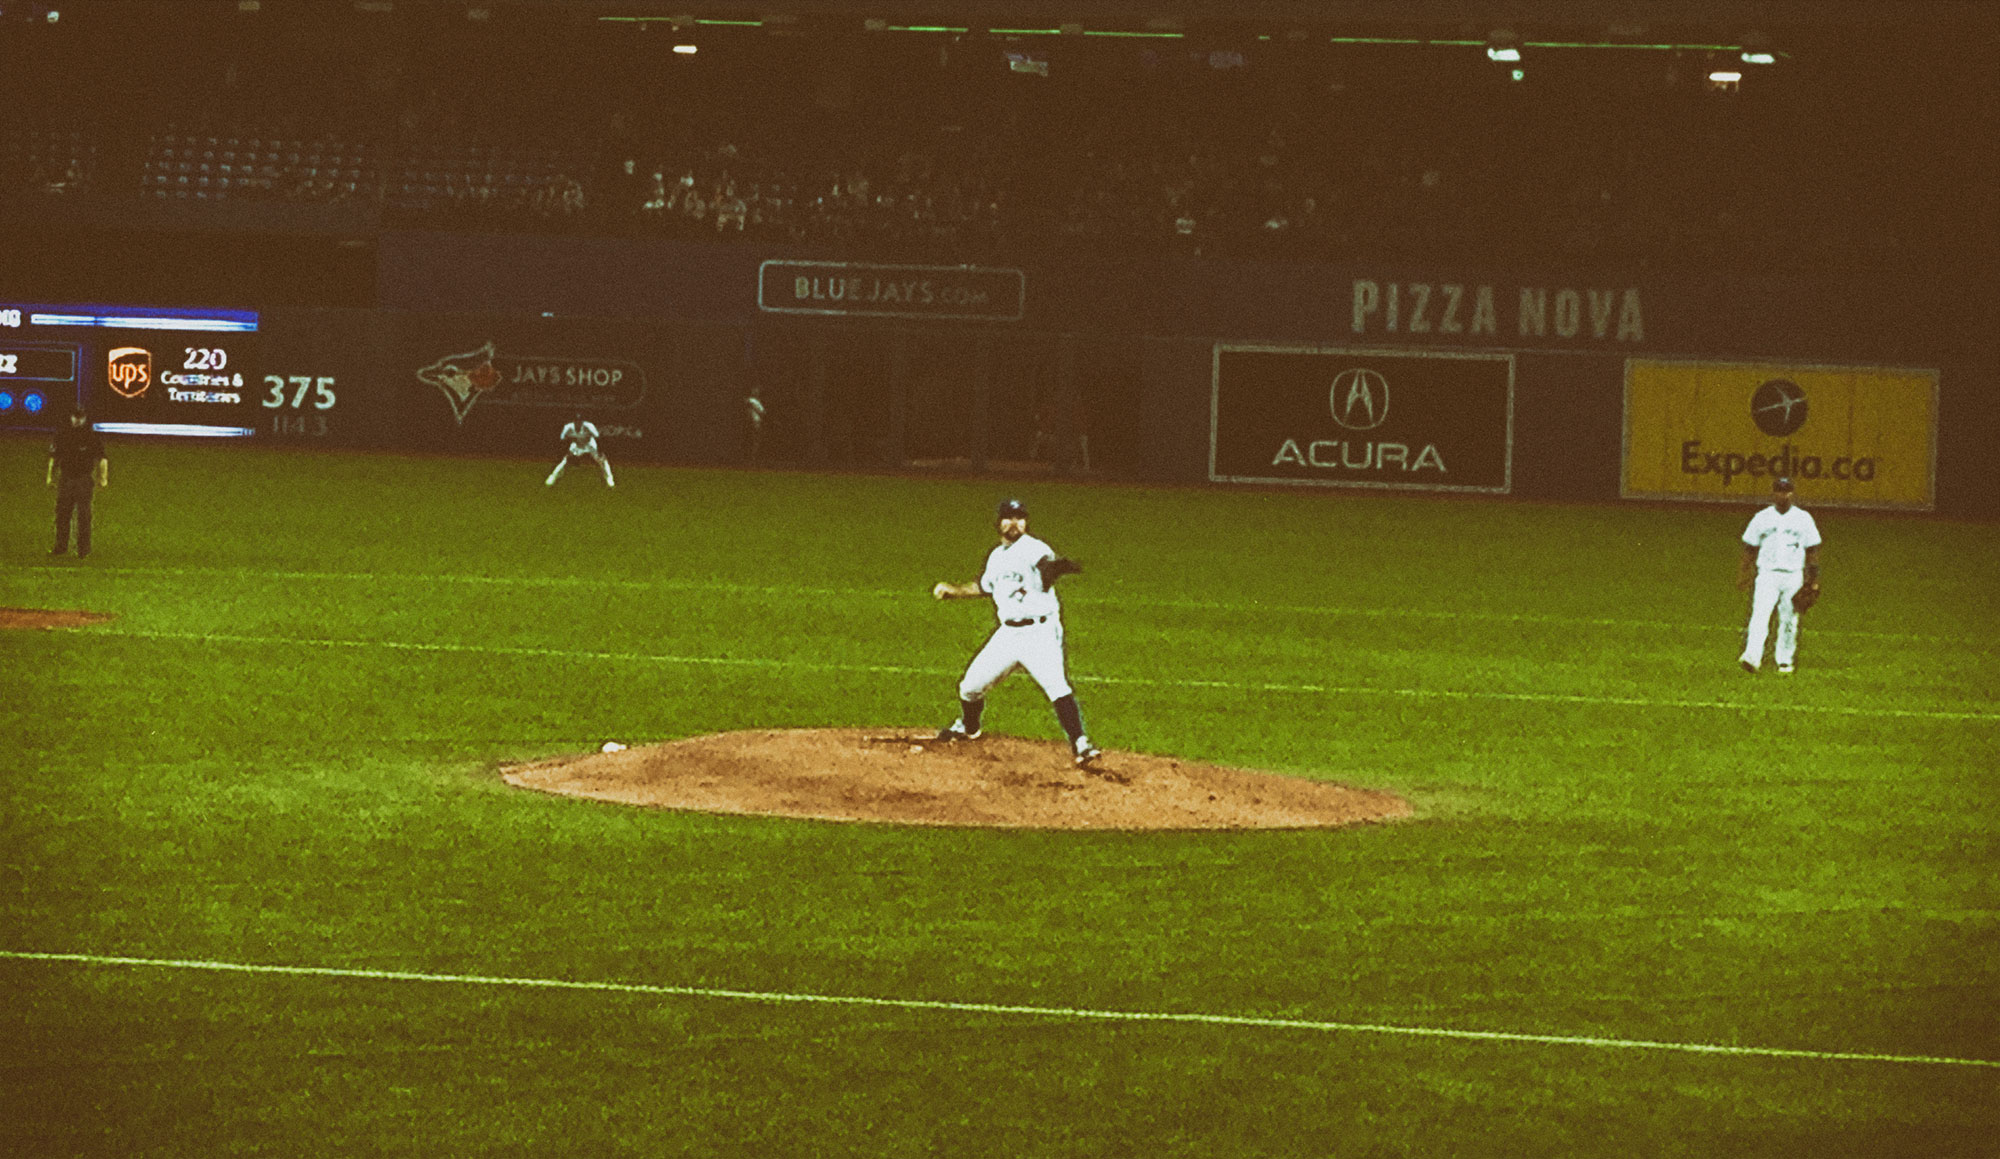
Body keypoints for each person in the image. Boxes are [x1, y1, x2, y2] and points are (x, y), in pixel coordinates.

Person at [931, 498, 1102, 767]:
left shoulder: (1033, 548)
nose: (1014, 523)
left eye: (1020, 517)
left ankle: (1081, 744)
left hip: (1040, 633)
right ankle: (969, 727)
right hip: (1008, 635)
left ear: (1026, 522)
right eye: (1009, 517)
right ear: (998, 522)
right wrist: (954, 591)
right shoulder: (996, 557)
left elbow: (1046, 566)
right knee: (969, 687)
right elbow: (984, 587)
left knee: (1057, 686)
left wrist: (1056, 569)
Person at [1736, 476, 1821, 674]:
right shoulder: (1762, 518)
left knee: (1789, 618)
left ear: (1792, 493)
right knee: (1759, 615)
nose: (1784, 495)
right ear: (1774, 493)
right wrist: (1744, 573)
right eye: (1780, 490)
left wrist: (1813, 579)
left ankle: (1784, 661)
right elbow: (1749, 547)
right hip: (1767, 575)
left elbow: (1812, 550)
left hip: (1793, 575)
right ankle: (1752, 657)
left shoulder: (1803, 519)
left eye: (1787, 491)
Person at [46, 406, 107, 557]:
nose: (77, 420)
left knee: (84, 516)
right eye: (75, 416)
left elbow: (102, 458)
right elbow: (54, 457)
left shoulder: (90, 437)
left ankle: (83, 550)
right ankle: (60, 547)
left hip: (83, 479)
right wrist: (50, 476)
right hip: (66, 478)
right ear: (71, 417)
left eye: (80, 417)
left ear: (84, 418)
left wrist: (103, 477)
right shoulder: (63, 435)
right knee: (62, 515)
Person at [546, 413, 613, 487]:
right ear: (573, 421)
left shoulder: (589, 426)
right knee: (564, 460)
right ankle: (553, 476)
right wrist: (567, 453)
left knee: (602, 460)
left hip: (589, 444)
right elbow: (562, 440)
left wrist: (599, 451)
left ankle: (609, 478)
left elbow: (598, 438)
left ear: (582, 421)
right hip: (577, 444)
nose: (578, 422)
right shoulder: (568, 427)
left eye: (580, 421)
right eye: (576, 420)